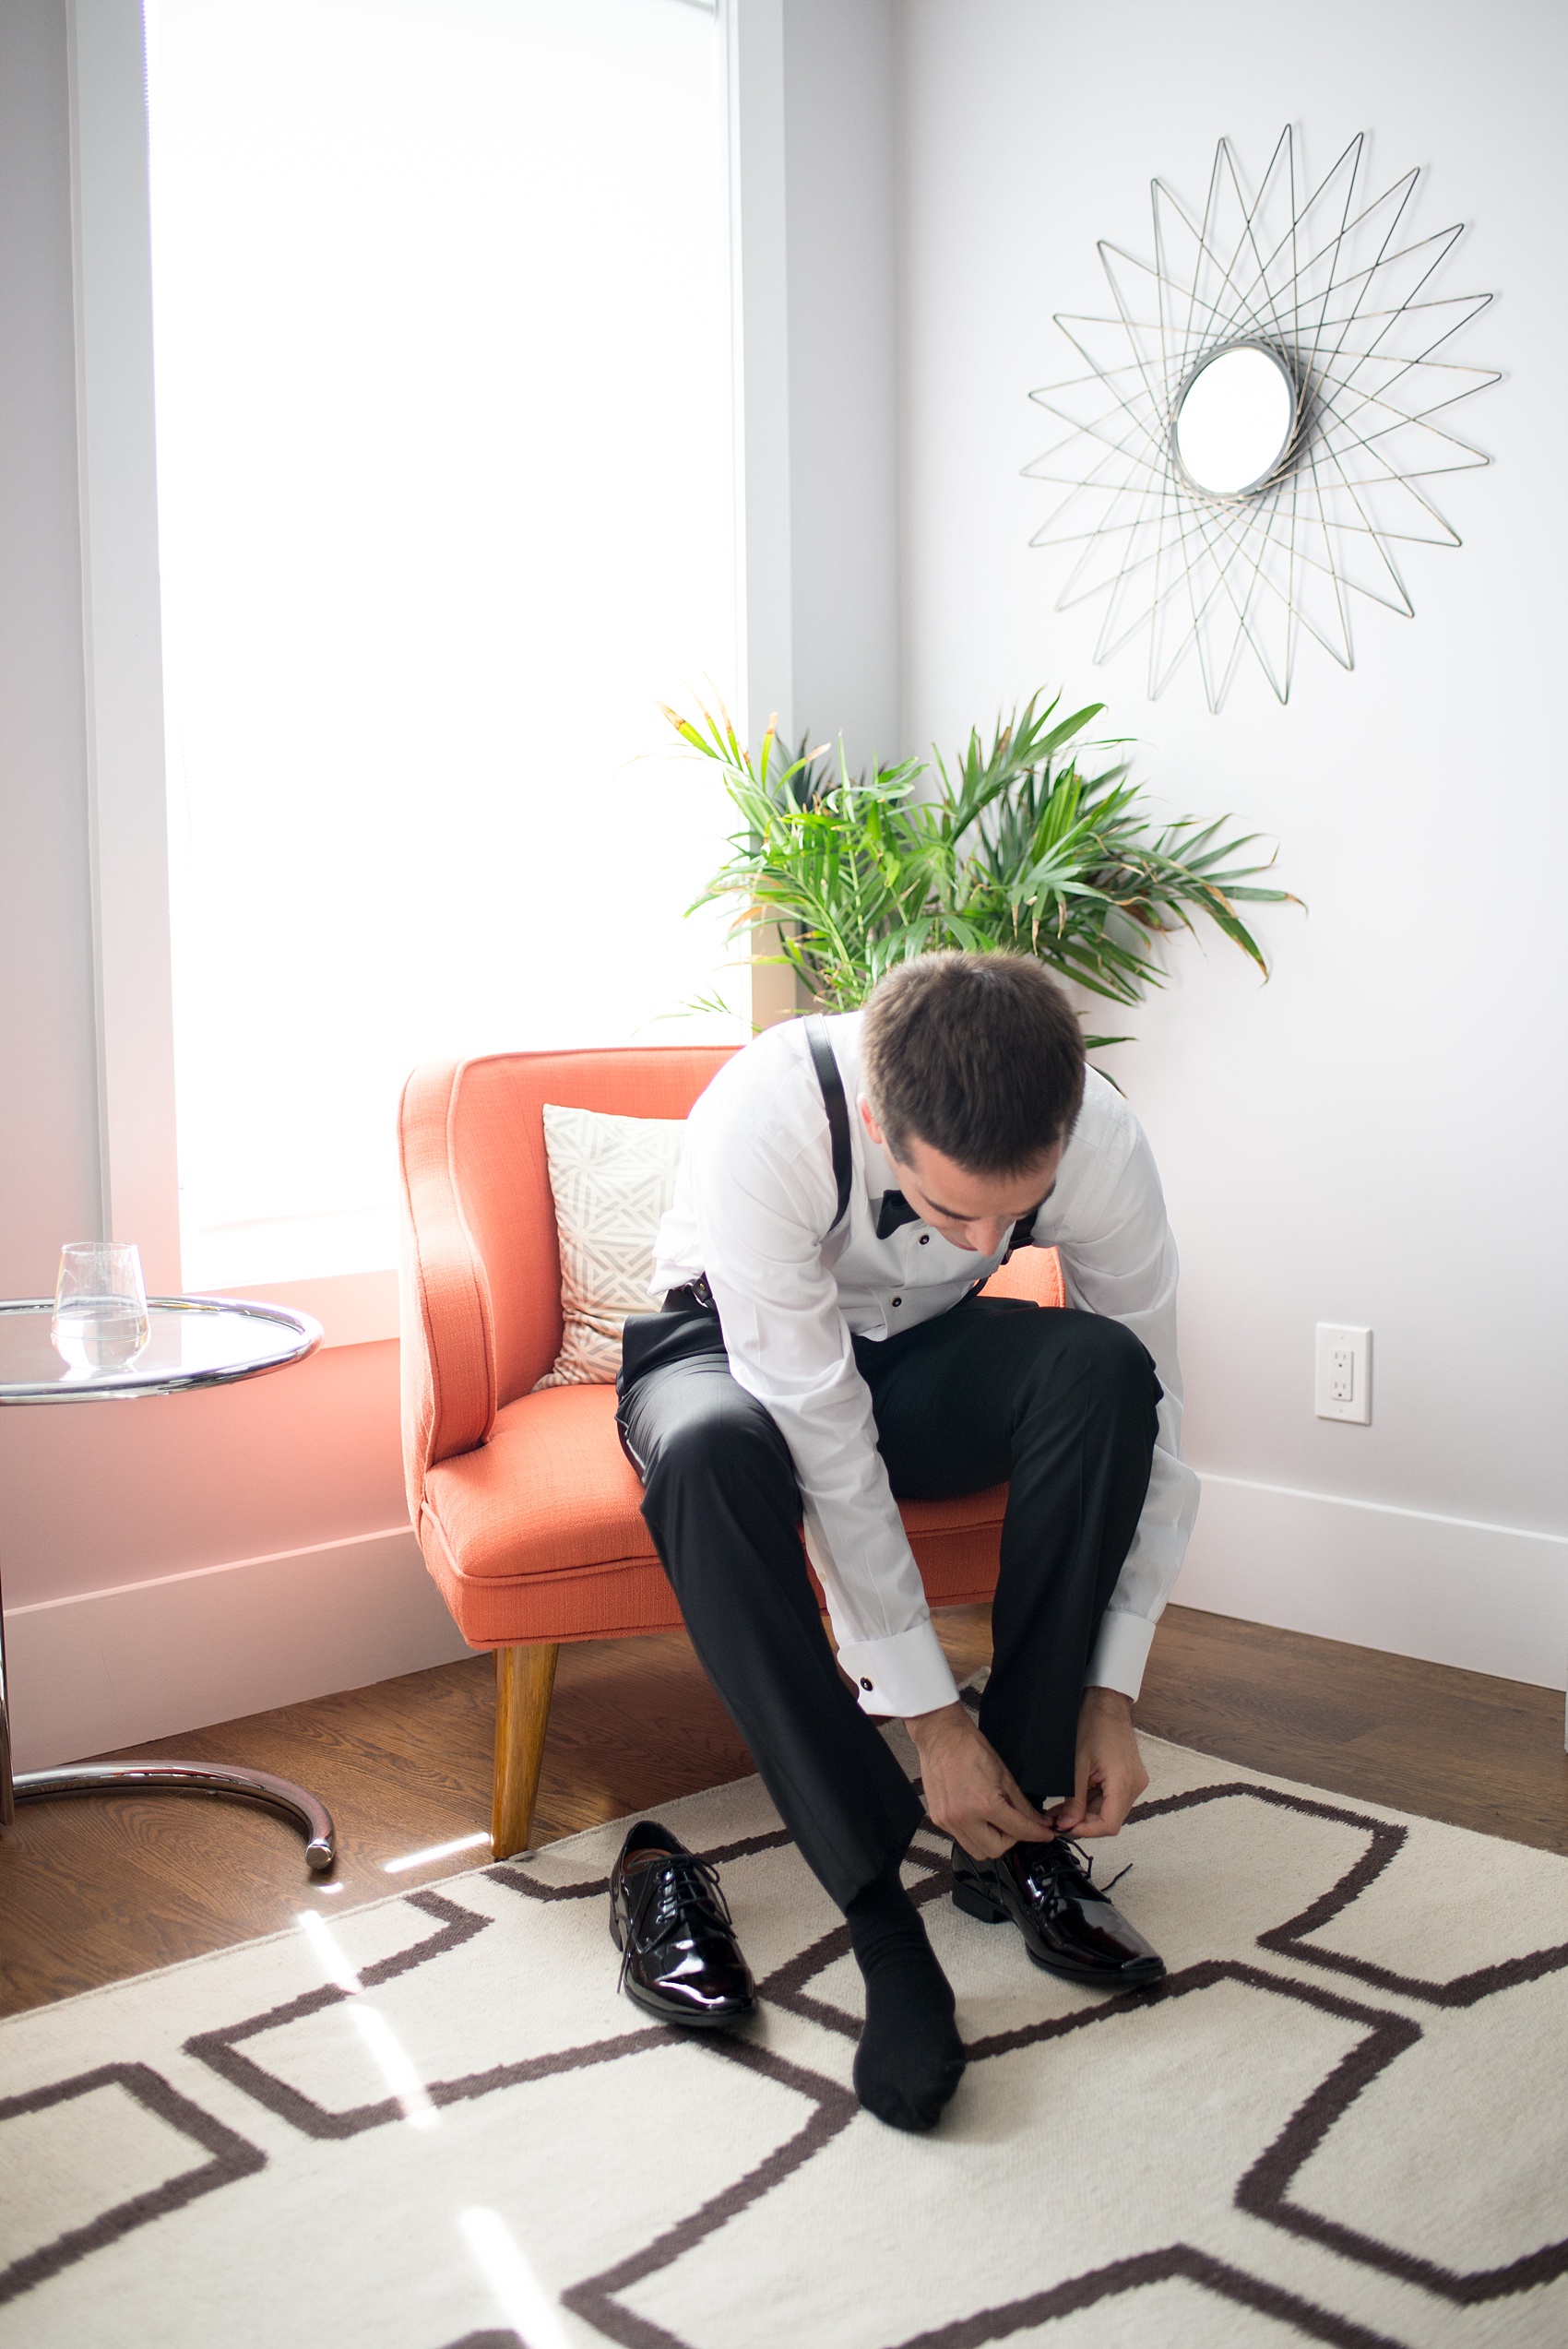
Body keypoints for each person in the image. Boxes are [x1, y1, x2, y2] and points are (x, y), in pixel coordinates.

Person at [608, 952, 1199, 2132]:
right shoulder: (764, 1116)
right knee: (712, 1455)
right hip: (724, 1357)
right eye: (949, 1209)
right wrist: (926, 1717)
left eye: (1010, 1213)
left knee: (1102, 1370)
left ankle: (1015, 1835)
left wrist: (1110, 1688)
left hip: (919, 1355)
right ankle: (881, 1922)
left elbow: (1163, 1415)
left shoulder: (1101, 1137)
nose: (987, 1238)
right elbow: (821, 1434)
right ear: (881, 1126)